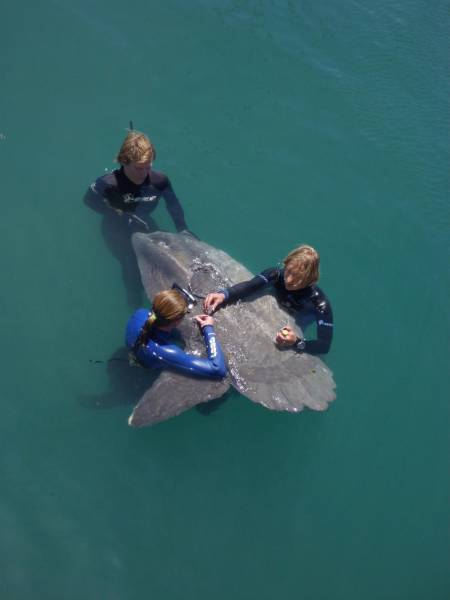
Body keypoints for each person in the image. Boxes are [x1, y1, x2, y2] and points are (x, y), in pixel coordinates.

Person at [204, 245, 333, 355]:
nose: (289, 280)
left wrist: (296, 341)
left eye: (298, 277)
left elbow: (324, 346)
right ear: (286, 263)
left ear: (311, 279)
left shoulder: (320, 304)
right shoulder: (276, 275)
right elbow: (250, 286)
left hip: (299, 318)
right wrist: (224, 295)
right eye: (288, 271)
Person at [86, 129, 190, 233]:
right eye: (138, 168)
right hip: (115, 225)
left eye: (148, 167)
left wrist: (183, 229)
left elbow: (173, 204)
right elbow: (89, 201)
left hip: (143, 221)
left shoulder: (160, 181)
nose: (144, 174)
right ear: (124, 162)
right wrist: (115, 211)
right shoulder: (107, 184)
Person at [126, 288, 228, 378]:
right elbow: (218, 369)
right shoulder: (167, 352)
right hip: (150, 366)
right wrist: (208, 328)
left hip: (137, 351)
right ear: (176, 321)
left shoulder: (140, 313)